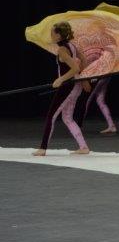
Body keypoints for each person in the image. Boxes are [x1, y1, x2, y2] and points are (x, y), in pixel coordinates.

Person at [34, 22, 90, 156]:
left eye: (52, 33)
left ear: (59, 35)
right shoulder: (72, 46)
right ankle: (83, 147)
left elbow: (75, 68)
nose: (51, 35)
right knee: (67, 118)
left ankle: (42, 148)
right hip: (75, 86)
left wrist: (60, 79)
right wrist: (81, 78)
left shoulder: (62, 50)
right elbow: (83, 60)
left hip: (68, 87)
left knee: (51, 116)